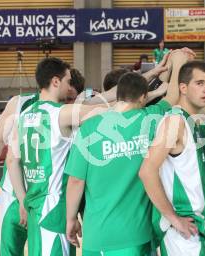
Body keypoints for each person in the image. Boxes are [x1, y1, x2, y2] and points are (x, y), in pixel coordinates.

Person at [65, 49, 191, 255]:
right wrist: (177, 62)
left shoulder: (89, 127)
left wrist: (71, 219)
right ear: (143, 96)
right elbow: (173, 96)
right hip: (136, 236)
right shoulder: (150, 120)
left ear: (118, 94)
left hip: (97, 236)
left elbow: (76, 181)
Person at [0, 67, 89, 256]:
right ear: (57, 84)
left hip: (44, 200)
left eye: (72, 99)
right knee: (8, 251)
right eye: (68, 96)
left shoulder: (68, 114)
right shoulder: (19, 103)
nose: (69, 102)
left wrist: (72, 213)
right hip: (15, 194)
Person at [139, 61, 205, 255]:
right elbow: (147, 171)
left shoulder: (191, 121)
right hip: (182, 231)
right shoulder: (175, 121)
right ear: (183, 87)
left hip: (194, 226)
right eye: (199, 83)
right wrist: (173, 218)